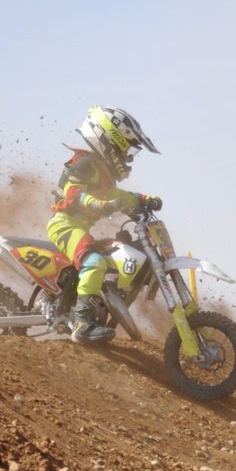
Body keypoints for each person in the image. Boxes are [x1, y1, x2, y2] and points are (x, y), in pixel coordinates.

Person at [46, 106, 162, 343]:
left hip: (79, 228)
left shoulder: (102, 171)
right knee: (95, 261)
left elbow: (116, 194)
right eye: (126, 147)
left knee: (116, 253)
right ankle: (82, 323)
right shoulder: (83, 163)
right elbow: (73, 194)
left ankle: (93, 304)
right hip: (65, 226)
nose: (128, 155)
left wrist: (143, 200)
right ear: (110, 140)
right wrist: (98, 204)